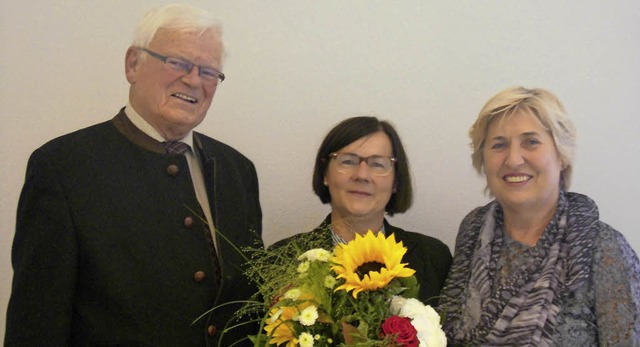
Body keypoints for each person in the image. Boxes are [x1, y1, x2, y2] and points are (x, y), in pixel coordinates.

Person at [5, 4, 262, 346]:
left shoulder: (237, 171)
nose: (193, 80)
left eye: (208, 71)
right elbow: (37, 321)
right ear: (132, 64)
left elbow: (247, 308)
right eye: (178, 63)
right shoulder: (63, 167)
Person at [439, 86, 640, 346]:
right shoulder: (473, 234)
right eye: (499, 145)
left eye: (531, 142)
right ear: (482, 159)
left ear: (562, 154)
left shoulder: (603, 248)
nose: (513, 160)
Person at [273, 116, 452, 306]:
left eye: (377, 164)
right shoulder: (280, 259)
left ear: (396, 182)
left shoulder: (433, 258)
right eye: (348, 161)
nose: (361, 175)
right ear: (325, 173)